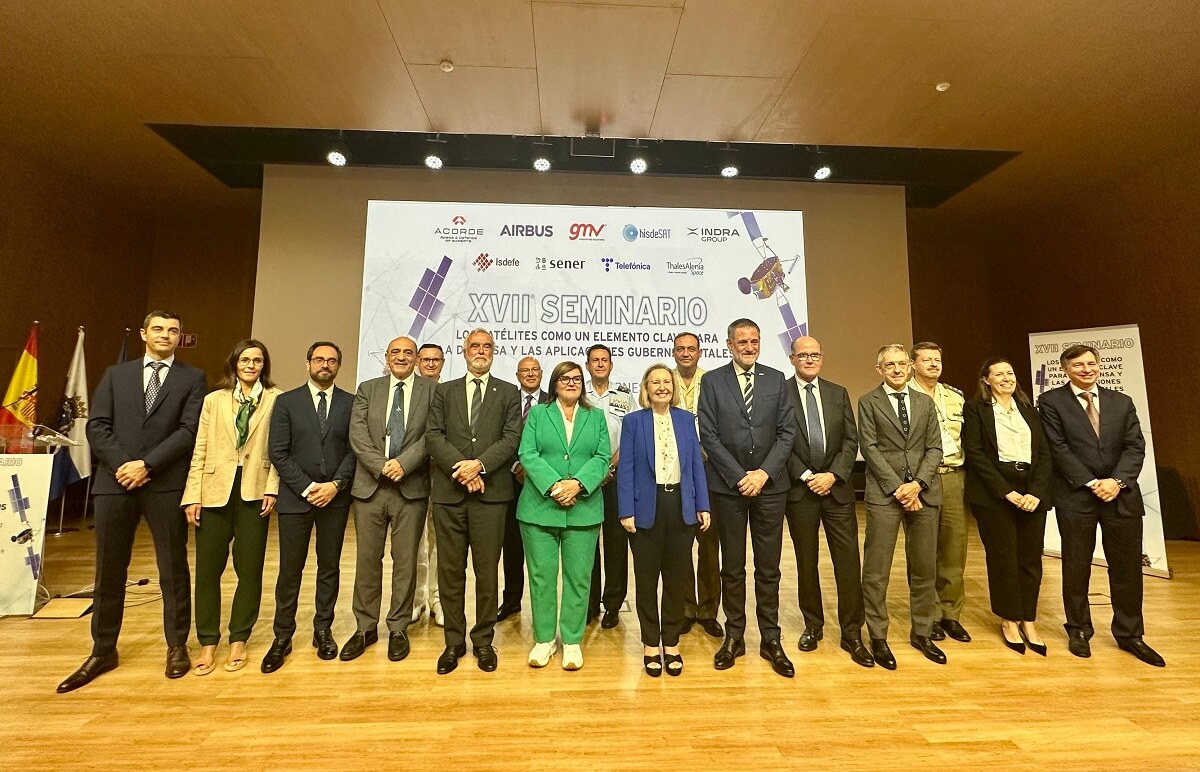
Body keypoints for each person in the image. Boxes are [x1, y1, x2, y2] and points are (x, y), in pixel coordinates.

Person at [58, 311, 207, 693]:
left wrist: (148, 464)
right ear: (144, 334)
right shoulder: (115, 375)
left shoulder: (193, 378)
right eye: (158, 329)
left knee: (173, 568)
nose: (166, 335)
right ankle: (103, 649)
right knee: (109, 569)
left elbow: (189, 430)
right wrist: (124, 464)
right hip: (115, 483)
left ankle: (176, 646)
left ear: (179, 337)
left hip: (165, 484)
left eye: (173, 330)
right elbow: (97, 426)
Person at [1039, 344, 1164, 666]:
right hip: (1076, 496)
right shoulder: (1051, 402)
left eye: (1091, 363)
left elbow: (1135, 446)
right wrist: (1092, 483)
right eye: (1078, 365)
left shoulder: (1121, 402)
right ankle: (1079, 629)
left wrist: (1116, 482)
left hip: (1120, 497)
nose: (1086, 369)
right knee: (1076, 567)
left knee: (1126, 569)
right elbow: (1058, 447)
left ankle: (1130, 634)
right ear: (1065, 369)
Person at [697, 318, 797, 677]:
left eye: (754, 341)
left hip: (770, 488)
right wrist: (741, 477)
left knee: (768, 568)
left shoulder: (776, 380)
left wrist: (763, 474)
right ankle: (735, 636)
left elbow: (787, 433)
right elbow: (708, 434)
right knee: (733, 567)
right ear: (729, 344)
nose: (749, 346)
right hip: (729, 489)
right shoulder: (712, 381)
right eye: (742, 341)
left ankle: (771, 637)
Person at [181, 339, 281, 675]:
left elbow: (280, 449)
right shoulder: (215, 401)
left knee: (249, 570)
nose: (251, 365)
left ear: (264, 366)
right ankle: (208, 641)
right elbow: (199, 449)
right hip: (214, 491)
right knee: (208, 571)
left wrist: (273, 488)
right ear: (234, 363)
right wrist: (192, 494)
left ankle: (239, 638)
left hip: (255, 491)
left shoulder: (276, 399)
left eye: (257, 360)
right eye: (245, 360)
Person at [426, 328, 521, 674]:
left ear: (494, 352)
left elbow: (511, 438)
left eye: (487, 347)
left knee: (486, 572)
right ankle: (454, 640)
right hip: (450, 497)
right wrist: (462, 469)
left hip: (491, 495)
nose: (481, 351)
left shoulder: (508, 392)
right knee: (450, 572)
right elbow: (433, 435)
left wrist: (479, 465)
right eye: (474, 346)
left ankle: (483, 640)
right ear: (463, 351)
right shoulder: (444, 391)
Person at [260, 341, 355, 673]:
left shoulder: (351, 403)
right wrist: (307, 486)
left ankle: (323, 630)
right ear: (308, 364)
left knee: (329, 567)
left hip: (335, 498)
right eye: (319, 359)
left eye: (332, 360)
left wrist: (335, 485)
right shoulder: (286, 402)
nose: (325, 365)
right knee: (290, 570)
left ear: (339, 366)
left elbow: (353, 451)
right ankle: (282, 636)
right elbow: (278, 451)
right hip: (295, 499)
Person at [342, 335, 435, 663]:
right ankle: (365, 627)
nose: (401, 357)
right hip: (370, 487)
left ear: (416, 359)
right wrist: (382, 466)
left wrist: (403, 464)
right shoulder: (369, 388)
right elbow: (357, 434)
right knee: (367, 560)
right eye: (395, 351)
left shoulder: (431, 391)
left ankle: (398, 627)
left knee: (406, 561)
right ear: (386, 356)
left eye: (408, 353)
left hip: (410, 488)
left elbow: (431, 436)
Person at [783, 336, 873, 668]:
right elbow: (781, 441)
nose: (809, 360)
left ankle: (852, 632)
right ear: (792, 359)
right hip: (800, 491)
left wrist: (833, 475)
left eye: (815, 354)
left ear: (822, 358)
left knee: (848, 561)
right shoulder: (781, 393)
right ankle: (813, 625)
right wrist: (807, 475)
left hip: (836, 490)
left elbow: (851, 439)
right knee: (806, 562)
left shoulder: (837, 393)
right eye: (803, 355)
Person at [517, 361, 611, 670]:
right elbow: (527, 454)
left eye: (576, 379)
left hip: (583, 509)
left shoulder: (595, 416)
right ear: (555, 383)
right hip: (540, 509)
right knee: (542, 578)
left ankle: (571, 641)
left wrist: (578, 484)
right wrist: (555, 486)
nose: (571, 383)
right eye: (564, 378)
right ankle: (545, 640)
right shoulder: (539, 415)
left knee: (578, 578)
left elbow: (602, 456)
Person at [618, 364, 710, 677]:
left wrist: (703, 505)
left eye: (666, 382)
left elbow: (696, 465)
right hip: (646, 509)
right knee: (646, 581)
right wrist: (625, 510)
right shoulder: (633, 422)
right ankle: (649, 644)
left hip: (680, 505)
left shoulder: (686, 420)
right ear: (646, 387)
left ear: (673, 387)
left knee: (675, 579)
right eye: (655, 382)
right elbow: (626, 469)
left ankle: (671, 642)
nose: (662, 387)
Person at [857, 344, 945, 669]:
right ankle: (878, 637)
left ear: (910, 366)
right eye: (888, 365)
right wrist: (898, 487)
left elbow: (935, 447)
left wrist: (917, 484)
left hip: (924, 492)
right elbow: (869, 447)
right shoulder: (868, 402)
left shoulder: (924, 401)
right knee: (877, 571)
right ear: (879, 369)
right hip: (885, 494)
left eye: (900, 363)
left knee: (924, 569)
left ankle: (922, 631)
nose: (896, 369)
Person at [961, 358, 1052, 656]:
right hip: (995, 493)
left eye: (1010, 373)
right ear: (986, 380)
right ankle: (1009, 620)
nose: (1006, 378)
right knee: (1003, 558)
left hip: (1032, 492)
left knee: (1030, 559)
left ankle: (1029, 619)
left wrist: (1036, 491)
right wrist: (1006, 493)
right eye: (998, 374)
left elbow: (1044, 454)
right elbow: (975, 454)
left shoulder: (1030, 410)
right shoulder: (976, 410)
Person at [909, 342, 971, 643]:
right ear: (912, 363)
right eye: (927, 360)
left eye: (937, 360)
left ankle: (951, 614)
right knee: (923, 551)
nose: (934, 365)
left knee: (953, 549)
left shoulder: (955, 396)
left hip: (953, 477)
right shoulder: (904, 395)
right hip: (921, 479)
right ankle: (927, 614)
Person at [672, 331, 722, 639]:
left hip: (710, 470)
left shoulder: (713, 381)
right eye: (681, 349)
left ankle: (708, 610)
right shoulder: (664, 380)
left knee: (708, 545)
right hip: (675, 472)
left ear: (700, 352)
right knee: (679, 546)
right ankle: (685, 608)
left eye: (691, 348)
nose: (686, 353)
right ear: (674, 352)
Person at [498, 356, 550, 622]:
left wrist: (532, 469)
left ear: (541, 373)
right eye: (525, 371)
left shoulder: (552, 401)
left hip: (543, 482)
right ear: (517, 376)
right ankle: (511, 600)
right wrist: (516, 464)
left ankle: (545, 605)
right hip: (509, 480)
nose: (530, 374)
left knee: (543, 547)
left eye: (534, 370)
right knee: (512, 544)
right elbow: (498, 436)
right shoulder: (506, 399)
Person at [585, 344, 631, 628]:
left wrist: (610, 467)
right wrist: (593, 471)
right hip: (586, 478)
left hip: (616, 477)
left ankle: (613, 605)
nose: (600, 364)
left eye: (605, 360)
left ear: (611, 365)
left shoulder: (624, 395)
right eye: (595, 361)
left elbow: (630, 434)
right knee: (587, 542)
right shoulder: (580, 396)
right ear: (588, 366)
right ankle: (589, 604)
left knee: (616, 543)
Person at [413, 343, 445, 624]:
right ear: (417, 362)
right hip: (410, 476)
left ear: (443, 363)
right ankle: (415, 598)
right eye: (426, 359)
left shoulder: (448, 393)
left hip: (441, 477)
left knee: (439, 543)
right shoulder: (407, 393)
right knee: (414, 542)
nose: (431, 364)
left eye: (436, 360)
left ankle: (436, 599)